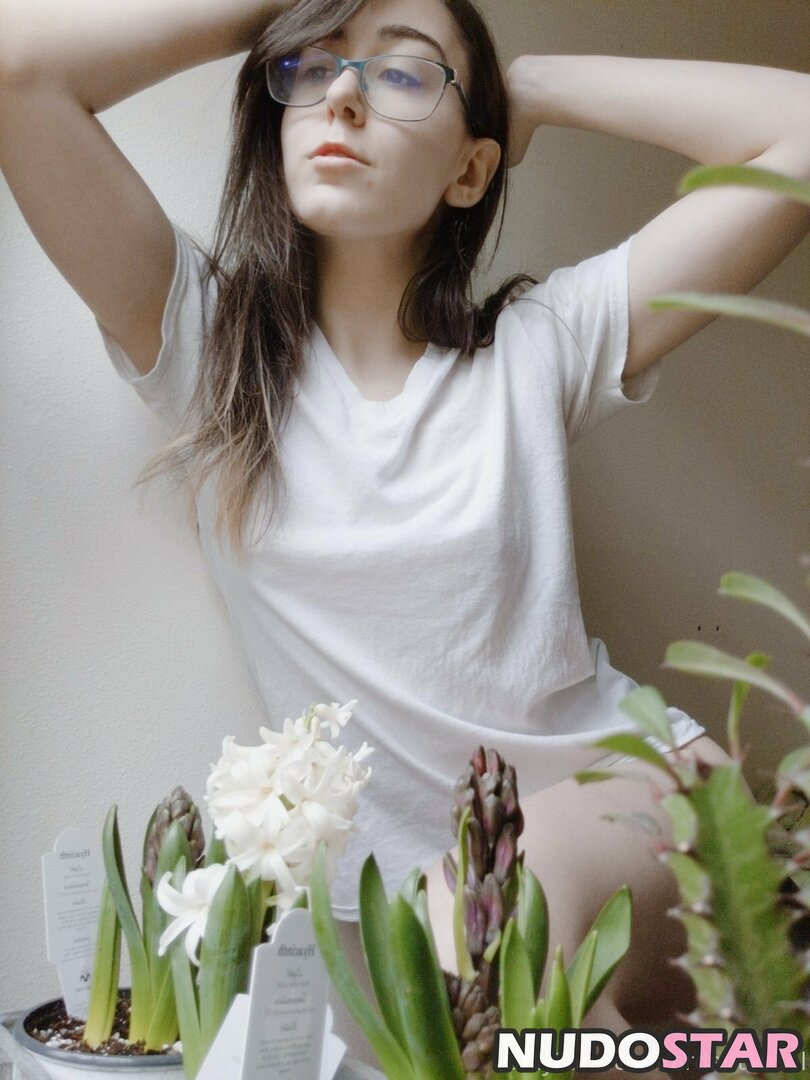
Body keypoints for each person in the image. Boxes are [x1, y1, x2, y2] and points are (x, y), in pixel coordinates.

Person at [2, 0, 809, 1060]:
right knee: (476, 997)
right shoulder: (213, 350)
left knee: (477, 922)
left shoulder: (540, 350)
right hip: (409, 925)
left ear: (469, 170)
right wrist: (284, 6)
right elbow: (19, 70)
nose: (343, 95)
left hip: (627, 814)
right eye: (315, 66)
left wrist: (534, 89)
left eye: (403, 73)